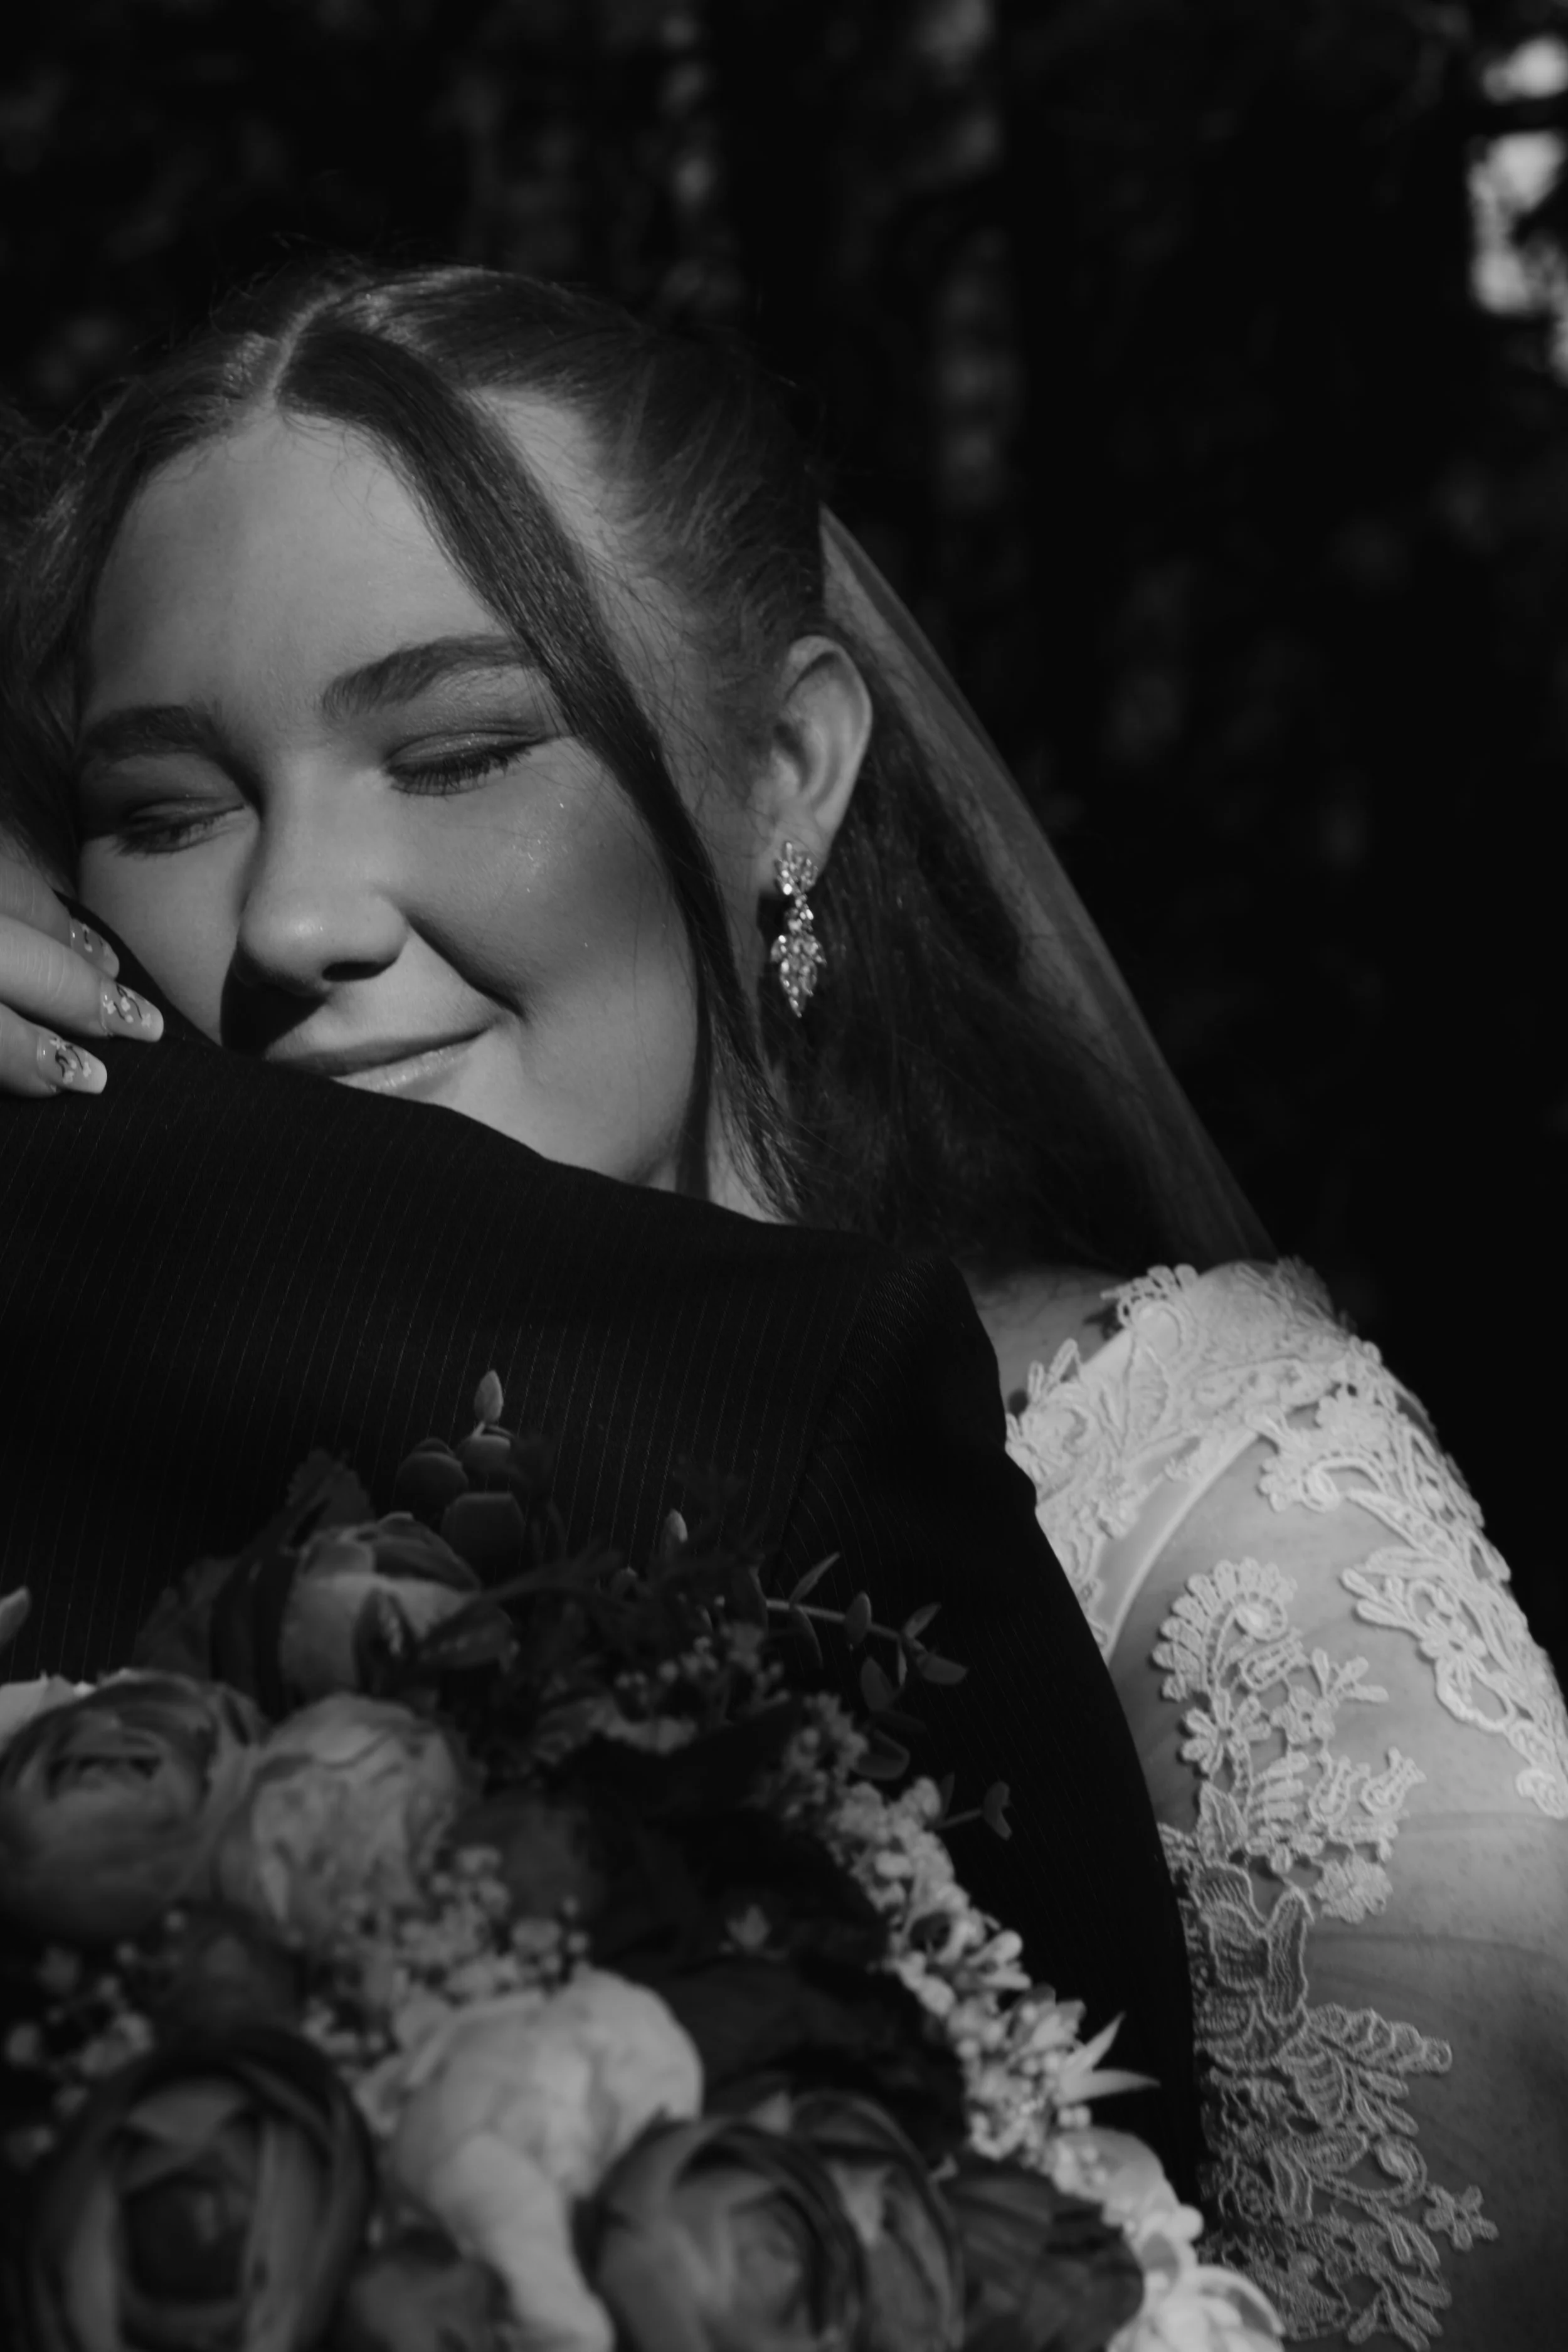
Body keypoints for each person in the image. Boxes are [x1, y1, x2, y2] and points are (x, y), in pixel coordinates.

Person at [1, 260, 1563, 2346]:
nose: (288, 917)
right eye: (164, 811)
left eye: (457, 749)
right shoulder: (93, 1477)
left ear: (788, 772)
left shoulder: (1212, 1530)